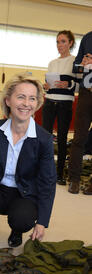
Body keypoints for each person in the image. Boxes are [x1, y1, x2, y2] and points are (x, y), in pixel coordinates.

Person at [0, 74, 56, 250]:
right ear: (8, 100)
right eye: (21, 97)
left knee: (22, 219)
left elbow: (48, 182)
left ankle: (16, 230)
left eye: (32, 98)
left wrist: (43, 222)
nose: (26, 103)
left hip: (25, 193)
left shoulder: (43, 139)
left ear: (37, 103)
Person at [42, 30, 77, 185]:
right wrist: (46, 86)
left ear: (70, 43)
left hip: (65, 104)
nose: (59, 45)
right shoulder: (52, 63)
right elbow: (48, 87)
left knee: (62, 139)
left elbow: (79, 86)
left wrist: (68, 84)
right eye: (57, 41)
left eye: (63, 41)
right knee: (45, 138)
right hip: (49, 102)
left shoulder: (75, 62)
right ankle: (44, 171)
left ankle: (59, 174)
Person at [68, 30, 92, 195]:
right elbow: (75, 68)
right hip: (86, 94)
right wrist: (82, 64)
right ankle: (74, 180)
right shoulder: (88, 38)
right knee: (79, 138)